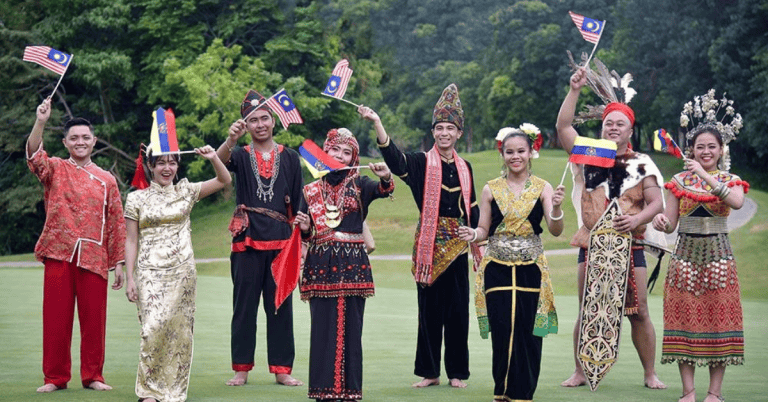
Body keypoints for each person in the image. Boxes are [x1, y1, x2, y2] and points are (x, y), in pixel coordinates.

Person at [361, 83, 482, 389]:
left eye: (450, 128)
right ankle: (430, 372)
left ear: (458, 133)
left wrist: (476, 232)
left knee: (457, 311)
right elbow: (395, 161)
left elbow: (473, 208)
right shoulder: (419, 162)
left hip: (458, 246)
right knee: (429, 312)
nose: (444, 133)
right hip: (428, 246)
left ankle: (457, 373)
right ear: (433, 132)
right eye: (439, 128)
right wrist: (377, 123)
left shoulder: (466, 167)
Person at [556, 68, 667, 389]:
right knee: (587, 307)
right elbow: (563, 126)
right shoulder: (589, 153)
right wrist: (574, 90)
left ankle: (650, 373)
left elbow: (656, 202)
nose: (613, 127)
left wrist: (636, 220)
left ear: (629, 129)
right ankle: (580, 371)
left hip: (630, 245)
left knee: (639, 311)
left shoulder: (642, 162)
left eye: (620, 123)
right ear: (602, 127)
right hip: (591, 243)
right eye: (609, 123)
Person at [26, 98, 126, 393]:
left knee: (94, 321)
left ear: (94, 141)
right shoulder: (55, 169)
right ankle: (55, 378)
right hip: (59, 251)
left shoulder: (107, 180)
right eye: (74, 138)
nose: (80, 142)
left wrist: (118, 263)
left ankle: (93, 375)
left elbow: (117, 223)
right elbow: (34, 155)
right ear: (66, 142)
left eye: (85, 137)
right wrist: (40, 121)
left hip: (94, 256)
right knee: (55, 319)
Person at [458, 126, 563, 401]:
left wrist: (557, 209)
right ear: (502, 154)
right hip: (496, 269)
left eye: (521, 151)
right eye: (509, 152)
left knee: (528, 332)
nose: (515, 156)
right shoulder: (491, 189)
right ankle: (502, 392)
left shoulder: (544, 188)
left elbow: (555, 230)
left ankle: (523, 393)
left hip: (531, 269)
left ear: (531, 153)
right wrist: (473, 235)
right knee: (503, 330)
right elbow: (483, 230)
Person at [652, 103, 747, 402]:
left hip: (719, 259)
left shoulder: (732, 181)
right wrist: (662, 222)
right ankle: (688, 392)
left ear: (721, 150)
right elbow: (670, 225)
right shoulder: (678, 182)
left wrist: (705, 176)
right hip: (685, 259)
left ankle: (714, 394)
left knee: (721, 321)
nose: (706, 152)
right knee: (684, 321)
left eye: (712, 147)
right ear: (691, 150)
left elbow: (736, 203)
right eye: (700, 147)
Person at [123, 145, 231, 402]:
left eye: (172, 163)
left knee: (179, 331)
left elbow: (224, 180)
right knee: (152, 327)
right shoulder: (136, 198)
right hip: (149, 271)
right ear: (150, 166)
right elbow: (130, 240)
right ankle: (149, 390)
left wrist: (213, 157)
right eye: (161, 163)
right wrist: (130, 277)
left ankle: (172, 390)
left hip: (182, 272)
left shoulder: (187, 191)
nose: (167, 168)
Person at [295, 127, 395, 401]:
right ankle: (322, 393)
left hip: (352, 266)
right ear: (324, 151)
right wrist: (305, 228)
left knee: (352, 331)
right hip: (320, 266)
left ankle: (349, 392)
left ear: (354, 157)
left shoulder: (361, 184)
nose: (339, 155)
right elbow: (306, 233)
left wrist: (386, 176)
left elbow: (384, 189)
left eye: (346, 151)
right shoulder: (310, 190)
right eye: (334, 149)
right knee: (322, 331)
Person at [216, 89, 305, 387]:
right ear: (246, 125)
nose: (260, 124)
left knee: (280, 306)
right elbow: (218, 162)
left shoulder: (290, 157)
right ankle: (241, 368)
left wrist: (301, 240)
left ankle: (282, 369)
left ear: (274, 121)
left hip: (281, 241)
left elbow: (298, 202)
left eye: (264, 118)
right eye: (253, 120)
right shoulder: (239, 154)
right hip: (247, 240)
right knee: (244, 306)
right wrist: (230, 140)